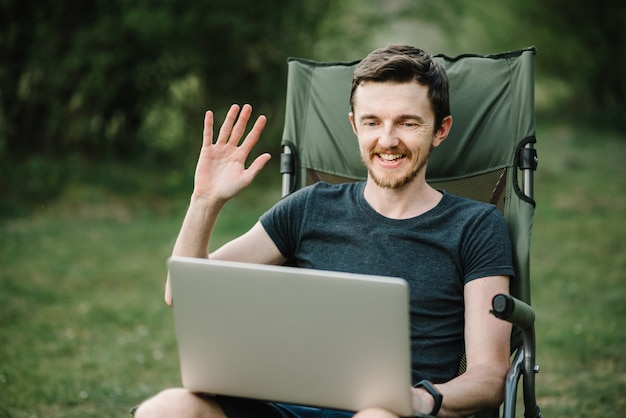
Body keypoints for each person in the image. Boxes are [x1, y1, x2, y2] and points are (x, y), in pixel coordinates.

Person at [134, 45, 514, 418]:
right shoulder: (309, 207)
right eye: (372, 122)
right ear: (354, 125)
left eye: (407, 123)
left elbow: (489, 377)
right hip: (281, 406)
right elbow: (185, 292)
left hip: (393, 413)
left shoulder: (476, 226)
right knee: (167, 408)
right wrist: (204, 200)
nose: (387, 140)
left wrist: (420, 399)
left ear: (440, 129)